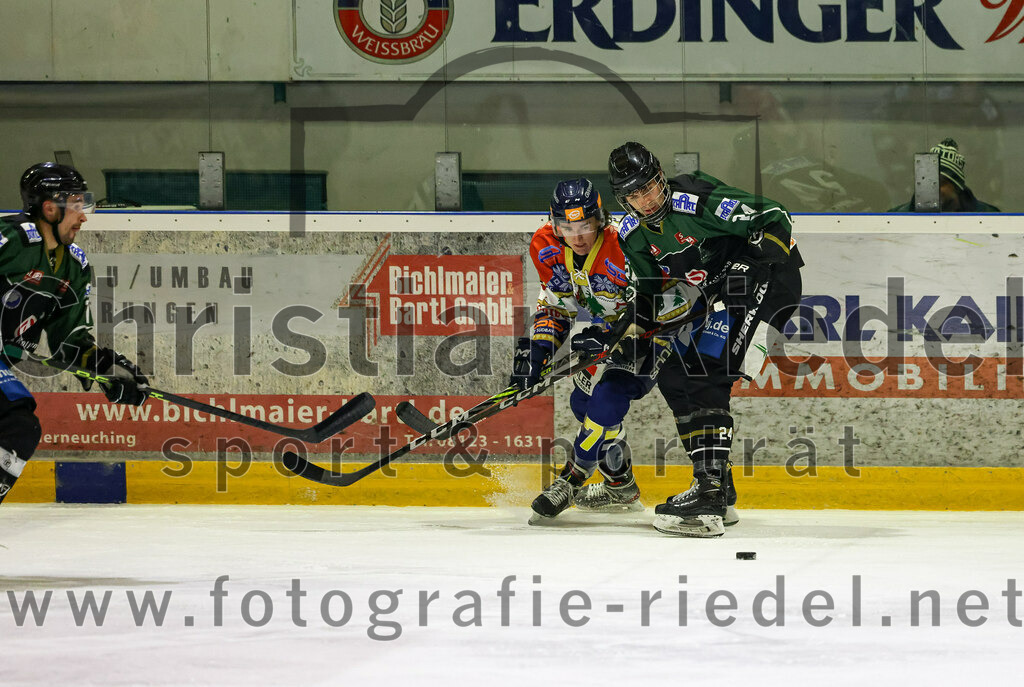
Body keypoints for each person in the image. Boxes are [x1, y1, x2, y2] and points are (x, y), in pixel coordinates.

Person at [607, 141, 804, 538]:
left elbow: (775, 217)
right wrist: (631, 330)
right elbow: (652, 293)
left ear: (661, 178)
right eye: (633, 194)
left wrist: (748, 264)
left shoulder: (696, 200)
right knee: (673, 375)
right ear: (623, 199)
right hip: (715, 297)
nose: (645, 200)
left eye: (648, 187)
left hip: (769, 282)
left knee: (706, 369)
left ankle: (709, 493)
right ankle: (717, 487)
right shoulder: (632, 233)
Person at [511, 178, 680, 524]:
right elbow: (557, 308)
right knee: (582, 404)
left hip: (660, 330)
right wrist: (538, 350)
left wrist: (617, 336)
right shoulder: (545, 246)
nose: (577, 237)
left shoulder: (625, 244)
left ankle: (570, 480)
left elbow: (656, 302)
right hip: (611, 333)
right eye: (567, 227)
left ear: (600, 220)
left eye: (585, 226)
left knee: (607, 398)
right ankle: (620, 486)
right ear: (554, 224)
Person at [0, 162, 149, 504]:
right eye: (76, 205)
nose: (83, 217)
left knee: (19, 428)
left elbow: (68, 338)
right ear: (50, 208)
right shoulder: (12, 238)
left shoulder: (73, 265)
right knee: (16, 423)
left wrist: (105, 367)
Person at [889, 138, 1000, 213]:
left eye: (941, 183)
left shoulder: (990, 216)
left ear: (956, 186)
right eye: (927, 181)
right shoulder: (895, 218)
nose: (933, 188)